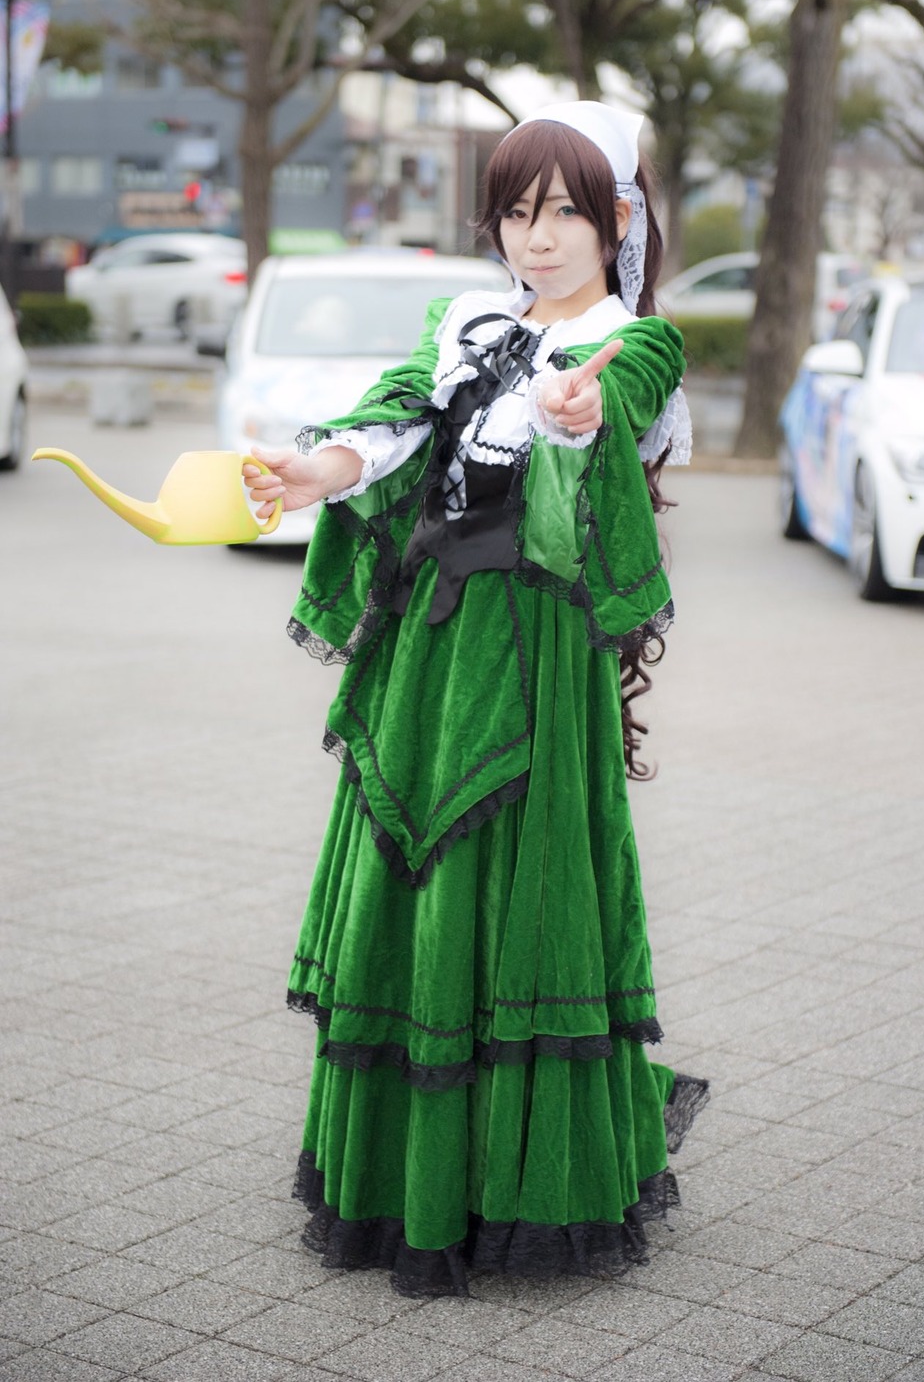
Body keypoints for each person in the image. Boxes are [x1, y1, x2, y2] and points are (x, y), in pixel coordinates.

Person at [244, 100, 707, 1299]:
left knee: (514, 886)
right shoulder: (464, 320)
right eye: (514, 210)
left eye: (562, 211)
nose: (536, 237)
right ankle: (407, 1176)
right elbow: (393, 422)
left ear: (616, 223)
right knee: (412, 877)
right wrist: (313, 466)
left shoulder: (630, 338)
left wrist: (579, 407)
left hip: (534, 651)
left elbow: (621, 392)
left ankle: (516, 1182)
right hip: (427, 647)